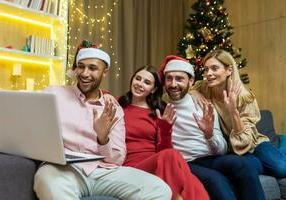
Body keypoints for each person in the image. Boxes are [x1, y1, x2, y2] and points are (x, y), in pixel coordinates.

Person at [33, 40, 172, 200]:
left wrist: (103, 138)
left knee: (160, 190)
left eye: (92, 68)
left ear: (104, 72)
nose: (85, 73)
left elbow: (118, 159)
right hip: (64, 169)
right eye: (81, 66)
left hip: (104, 172)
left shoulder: (113, 108)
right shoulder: (53, 94)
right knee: (47, 181)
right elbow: (26, 123)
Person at [159, 55, 266, 200]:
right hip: (185, 162)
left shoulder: (205, 106)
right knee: (216, 180)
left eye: (179, 79)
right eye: (169, 78)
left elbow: (221, 149)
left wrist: (209, 134)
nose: (173, 84)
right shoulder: (161, 105)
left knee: (244, 164)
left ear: (191, 81)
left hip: (211, 158)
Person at [190, 49, 286, 178]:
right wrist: (193, 92)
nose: (209, 73)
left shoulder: (244, 96)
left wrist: (233, 111)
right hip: (232, 149)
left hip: (253, 143)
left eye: (214, 68)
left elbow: (245, 140)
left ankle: (280, 149)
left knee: (281, 169)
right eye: (206, 69)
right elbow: (179, 89)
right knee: (249, 168)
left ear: (229, 70)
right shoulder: (204, 87)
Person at [118, 65, 209, 200]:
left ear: (153, 89)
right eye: (138, 79)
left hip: (157, 165)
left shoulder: (159, 111)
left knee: (191, 179)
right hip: (131, 167)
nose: (140, 84)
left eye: (147, 82)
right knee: (174, 158)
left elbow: (163, 150)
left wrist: (166, 129)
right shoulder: (118, 104)